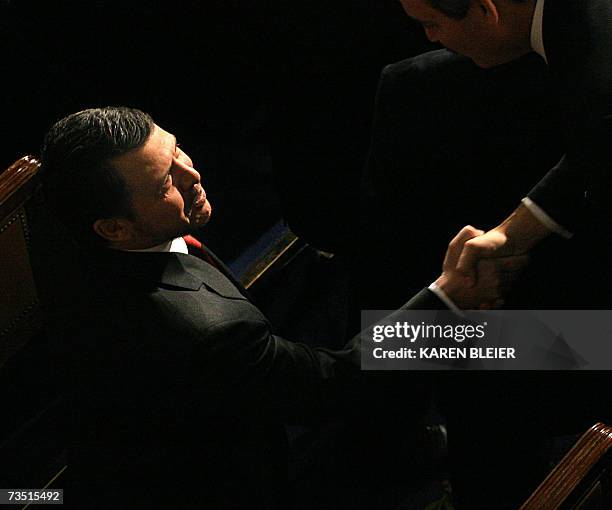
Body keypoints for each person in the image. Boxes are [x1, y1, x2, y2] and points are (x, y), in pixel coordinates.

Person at [40, 107, 521, 509]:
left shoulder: (74, 237)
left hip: (179, 425)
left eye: (177, 150)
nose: (193, 174)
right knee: (527, 349)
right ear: (114, 229)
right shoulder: (205, 333)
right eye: (166, 181)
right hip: (236, 480)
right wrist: (447, 301)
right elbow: (335, 383)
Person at [396, 0, 612, 303]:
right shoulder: (577, 21)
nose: (430, 38)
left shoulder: (594, 60)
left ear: (486, 9)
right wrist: (511, 234)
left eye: (430, 23)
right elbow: (593, 145)